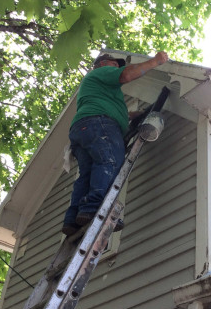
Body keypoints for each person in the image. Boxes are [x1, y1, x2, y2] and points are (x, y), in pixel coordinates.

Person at [62, 51, 169, 235]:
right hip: (99, 124)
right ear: (102, 64)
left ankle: (73, 219)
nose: (117, 68)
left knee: (87, 174)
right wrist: (155, 61)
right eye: (114, 64)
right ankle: (95, 208)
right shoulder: (100, 72)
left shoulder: (97, 89)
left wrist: (130, 116)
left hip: (83, 129)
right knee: (109, 161)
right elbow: (127, 75)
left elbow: (108, 106)